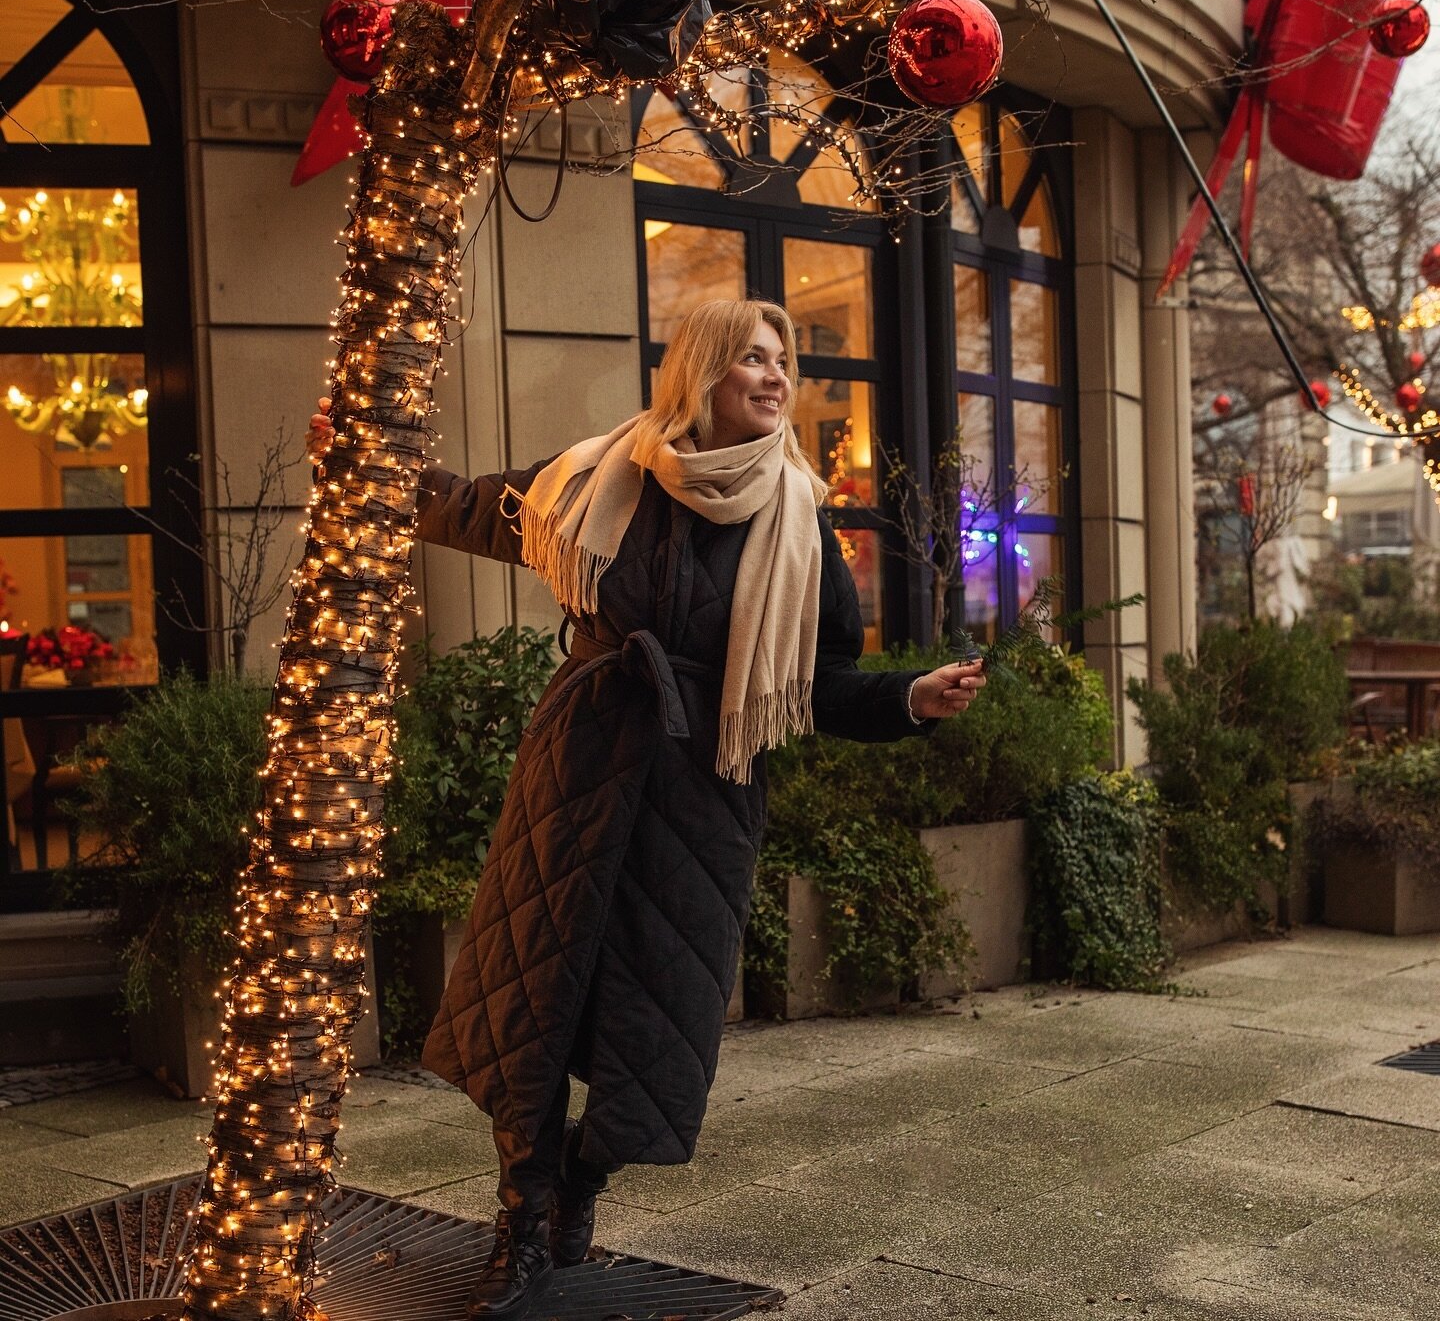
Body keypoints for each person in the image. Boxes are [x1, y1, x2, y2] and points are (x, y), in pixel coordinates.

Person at [307, 298, 985, 1320]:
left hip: (702, 790)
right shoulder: (599, 478)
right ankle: (521, 1218)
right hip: (577, 769)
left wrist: (908, 700)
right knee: (536, 999)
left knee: (654, 1021)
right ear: (702, 372)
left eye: (783, 361)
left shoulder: (802, 526)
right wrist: (368, 470)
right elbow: (468, 506)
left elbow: (825, 681)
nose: (773, 376)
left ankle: (583, 1179)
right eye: (751, 358)